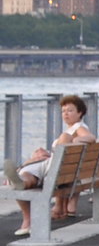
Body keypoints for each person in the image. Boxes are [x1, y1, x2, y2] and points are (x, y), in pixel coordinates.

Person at [10, 94, 93, 235]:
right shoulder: (72, 129)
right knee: (26, 175)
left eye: (70, 110)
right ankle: (21, 181)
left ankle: (27, 218)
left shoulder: (78, 127)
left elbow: (90, 137)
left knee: (27, 176)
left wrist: (71, 141)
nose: (65, 114)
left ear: (80, 113)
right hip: (54, 165)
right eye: (63, 111)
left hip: (54, 169)